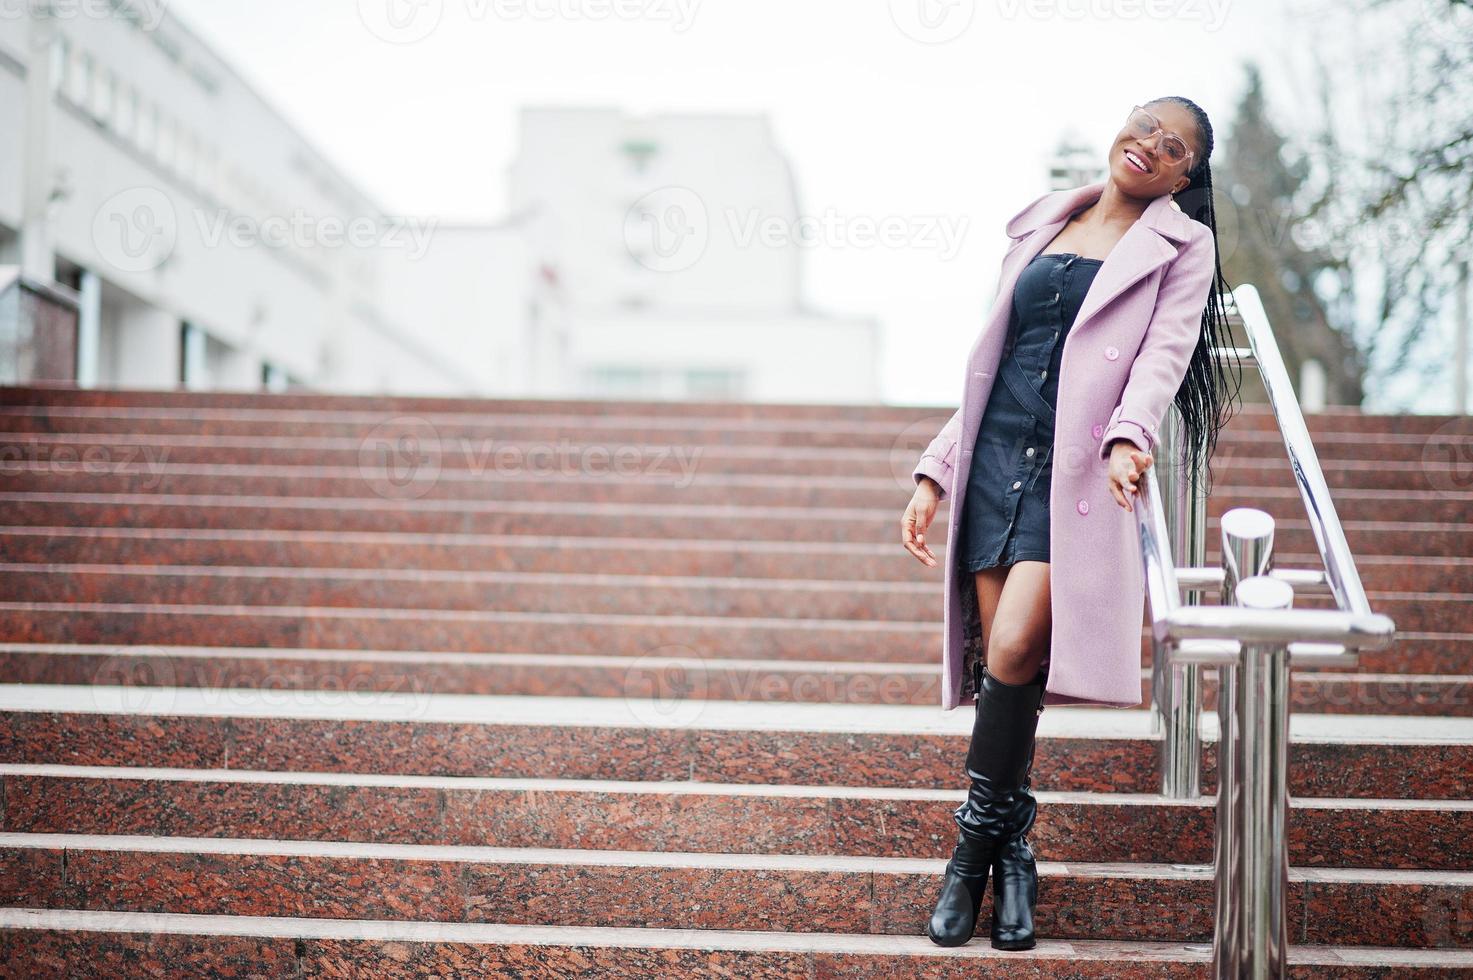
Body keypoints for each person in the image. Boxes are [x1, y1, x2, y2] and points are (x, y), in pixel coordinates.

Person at [901, 96, 1244, 950]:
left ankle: (969, 854)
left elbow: (1165, 349)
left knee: (1016, 647)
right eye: (1142, 129)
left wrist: (1132, 436)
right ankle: (1011, 853)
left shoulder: (1181, 246)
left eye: (1171, 149)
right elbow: (992, 360)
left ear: (1183, 176)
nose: (1147, 148)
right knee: (1002, 679)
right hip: (993, 460)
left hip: (1079, 469)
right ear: (1117, 129)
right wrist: (934, 471)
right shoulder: (1040, 225)